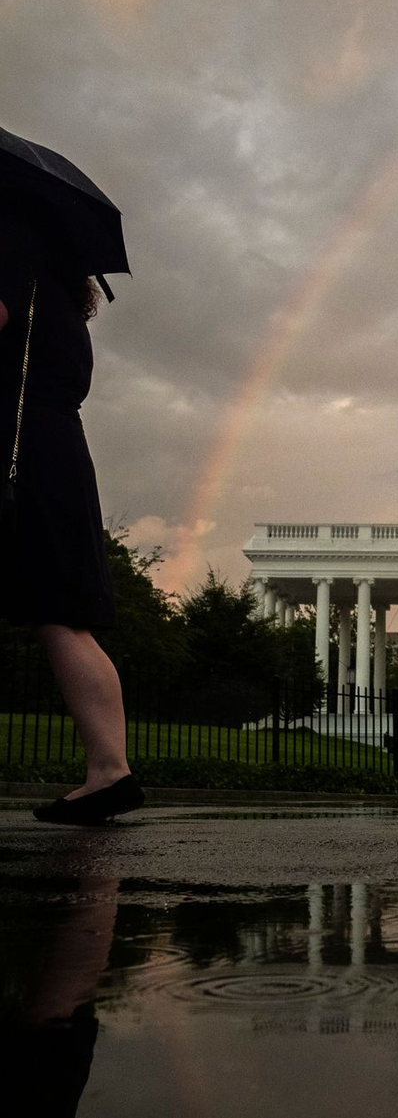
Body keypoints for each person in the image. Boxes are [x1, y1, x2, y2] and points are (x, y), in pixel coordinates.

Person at [0, 198, 143, 824]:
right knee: (62, 617)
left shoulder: (10, 249)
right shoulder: (62, 291)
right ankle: (110, 771)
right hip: (57, 448)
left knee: (57, 615)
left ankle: (110, 774)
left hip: (17, 447)